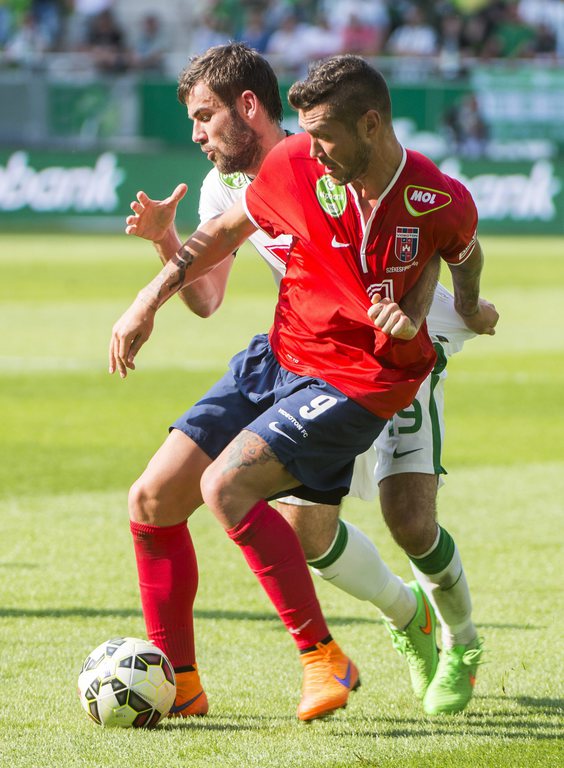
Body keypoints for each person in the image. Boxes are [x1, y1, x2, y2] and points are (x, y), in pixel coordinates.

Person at [110, 51, 498, 719]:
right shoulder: (277, 172)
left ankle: (441, 642)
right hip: (287, 355)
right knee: (213, 511)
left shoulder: (398, 182)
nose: (198, 134)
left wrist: (453, 311)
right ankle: (192, 682)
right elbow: (217, 261)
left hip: (388, 366)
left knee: (407, 522)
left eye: (205, 117)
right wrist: (150, 287)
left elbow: (444, 242)